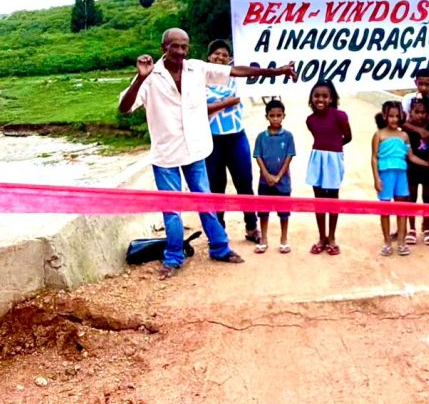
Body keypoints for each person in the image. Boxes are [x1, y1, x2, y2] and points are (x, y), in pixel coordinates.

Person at [118, 28, 296, 278]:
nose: (180, 52)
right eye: (174, 47)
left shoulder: (196, 69)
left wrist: (275, 72)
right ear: (163, 48)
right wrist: (140, 78)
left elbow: (236, 71)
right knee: (172, 209)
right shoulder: (150, 76)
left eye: (184, 47)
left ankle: (220, 248)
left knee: (206, 201)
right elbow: (124, 107)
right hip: (166, 155)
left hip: (196, 151)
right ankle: (173, 257)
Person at [204, 39, 260, 243]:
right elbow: (200, 109)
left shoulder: (236, 78)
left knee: (244, 182)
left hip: (236, 137)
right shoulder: (198, 79)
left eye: (224, 55)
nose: (220, 57)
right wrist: (229, 101)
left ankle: (252, 227)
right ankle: (219, 233)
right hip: (212, 141)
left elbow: (256, 70)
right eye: (216, 54)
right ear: (209, 57)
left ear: (229, 60)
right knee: (215, 187)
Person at [372, 101, 429, 256]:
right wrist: (376, 178)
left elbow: (410, 156)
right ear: (385, 116)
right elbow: (374, 158)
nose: (394, 119)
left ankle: (402, 243)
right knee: (385, 209)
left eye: (397, 116)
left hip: (401, 175)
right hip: (385, 174)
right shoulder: (379, 135)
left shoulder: (404, 135)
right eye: (391, 116)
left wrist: (428, 164)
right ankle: (387, 243)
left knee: (401, 208)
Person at [305, 79, 352, 256]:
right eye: (316, 96)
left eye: (325, 96)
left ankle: (332, 237)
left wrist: (335, 150)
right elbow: (318, 135)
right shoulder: (310, 120)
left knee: (332, 198)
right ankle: (322, 237)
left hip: (333, 160)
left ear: (331, 98)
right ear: (311, 98)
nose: (320, 99)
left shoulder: (340, 116)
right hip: (317, 159)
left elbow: (347, 136)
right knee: (318, 200)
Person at [253, 99, 296, 254]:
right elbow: (258, 156)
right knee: (263, 211)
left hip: (283, 182)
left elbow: (289, 157)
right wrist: (267, 175)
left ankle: (284, 239)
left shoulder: (288, 136)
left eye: (279, 115)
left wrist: (278, 176)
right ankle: (263, 239)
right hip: (264, 182)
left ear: (284, 116)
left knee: (284, 212)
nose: (275, 118)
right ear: (267, 117)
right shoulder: (261, 137)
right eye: (272, 116)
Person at [402, 97, 429, 246]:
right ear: (410, 112)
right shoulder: (406, 130)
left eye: (424, 112)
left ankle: (427, 227)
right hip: (412, 167)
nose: (420, 115)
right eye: (417, 112)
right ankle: (411, 229)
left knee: (428, 198)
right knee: (412, 198)